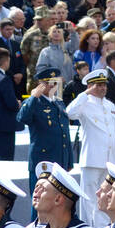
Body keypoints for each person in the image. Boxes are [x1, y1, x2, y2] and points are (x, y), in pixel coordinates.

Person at [66, 68, 115, 226]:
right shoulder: (84, 103)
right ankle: (87, 226)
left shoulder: (110, 105)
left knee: (105, 195)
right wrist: (85, 94)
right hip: (92, 157)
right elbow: (70, 113)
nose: (102, 88)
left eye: (104, 85)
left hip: (109, 159)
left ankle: (102, 227)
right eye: (98, 85)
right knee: (88, 196)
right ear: (90, 86)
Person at [16, 67, 73, 195]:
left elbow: (65, 133)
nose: (52, 86)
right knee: (40, 200)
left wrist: (69, 160)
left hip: (60, 161)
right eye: (48, 83)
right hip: (42, 162)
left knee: (59, 200)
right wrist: (33, 98)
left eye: (55, 82)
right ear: (40, 84)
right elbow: (22, 117)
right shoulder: (35, 102)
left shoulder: (59, 103)